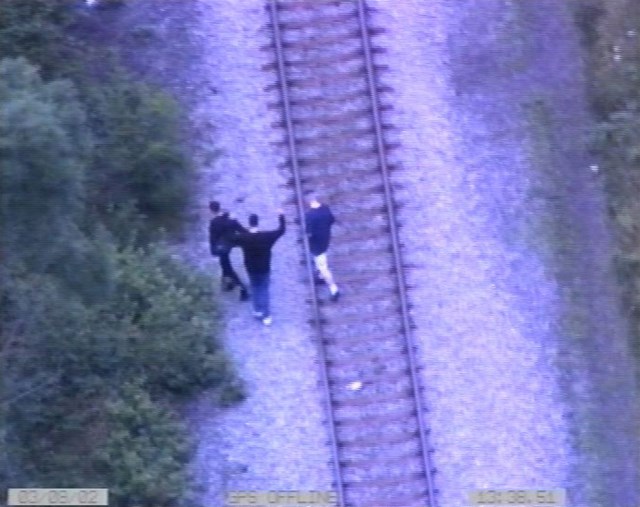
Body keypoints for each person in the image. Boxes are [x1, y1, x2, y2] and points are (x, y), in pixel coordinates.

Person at [232, 210, 286, 326]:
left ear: (249, 223)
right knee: (264, 290)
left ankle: (257, 310)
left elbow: (234, 235)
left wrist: (233, 220)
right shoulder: (267, 237)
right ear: (258, 223)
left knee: (255, 288)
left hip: (251, 268)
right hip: (264, 268)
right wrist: (281, 216)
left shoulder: (243, 238)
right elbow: (281, 230)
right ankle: (266, 315)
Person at [208, 201, 249, 301]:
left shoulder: (214, 223)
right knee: (224, 265)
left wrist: (213, 251)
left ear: (211, 210)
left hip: (222, 248)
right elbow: (241, 229)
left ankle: (242, 288)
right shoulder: (229, 217)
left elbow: (212, 239)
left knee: (227, 267)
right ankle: (229, 283)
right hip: (230, 244)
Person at [305, 193, 340, 301]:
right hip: (326, 240)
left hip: (317, 245)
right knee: (321, 261)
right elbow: (332, 220)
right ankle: (320, 276)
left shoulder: (309, 215)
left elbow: (309, 233)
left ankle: (334, 290)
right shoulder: (325, 208)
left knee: (323, 267)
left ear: (307, 201)